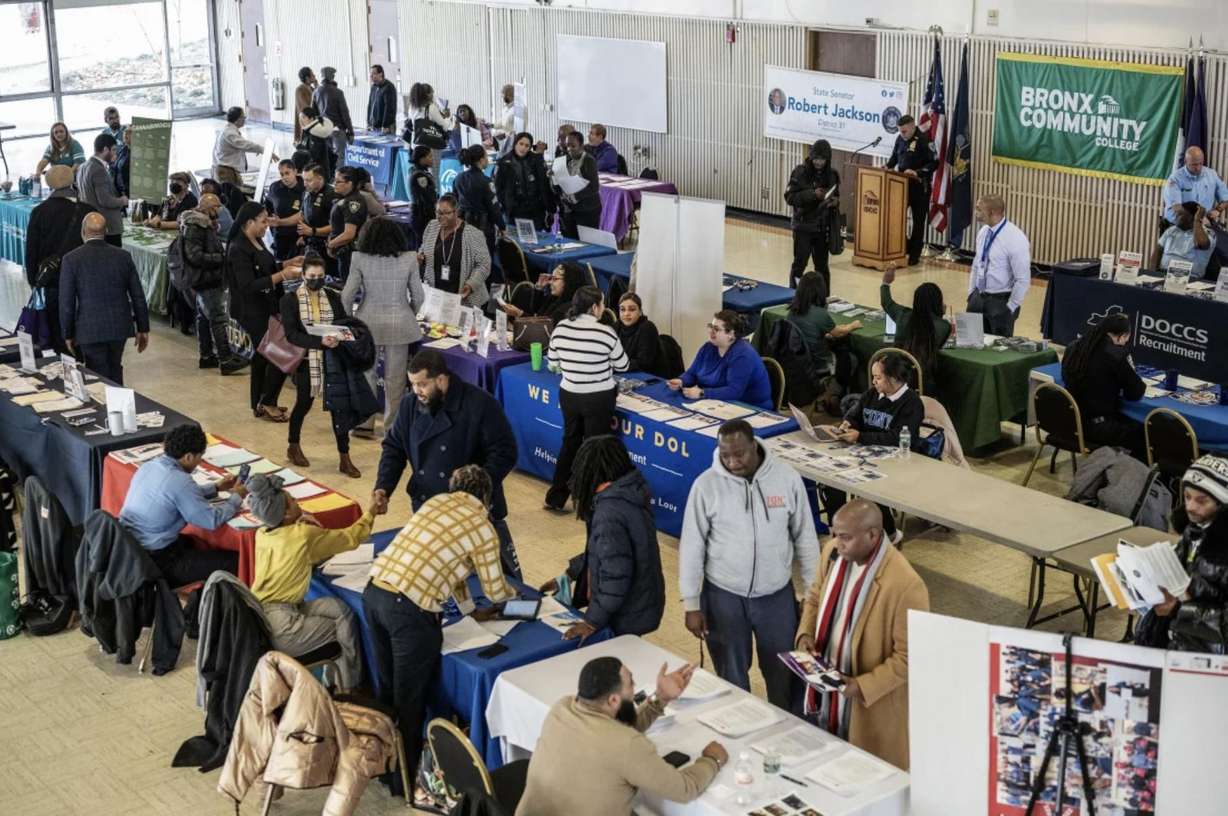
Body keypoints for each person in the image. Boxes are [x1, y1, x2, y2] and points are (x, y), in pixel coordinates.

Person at [364, 465, 514, 788]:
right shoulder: (483, 528)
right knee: (410, 701)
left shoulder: (434, 503)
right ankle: (401, 784)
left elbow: (452, 569)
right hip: (409, 614)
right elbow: (496, 591)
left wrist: (471, 611)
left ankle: (382, 765)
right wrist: (515, 597)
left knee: (388, 690)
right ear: (486, 497)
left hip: (375, 594)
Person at [679, 419, 818, 710]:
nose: (732, 461)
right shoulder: (706, 486)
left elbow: (806, 538)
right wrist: (691, 603)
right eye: (725, 454)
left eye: (739, 453)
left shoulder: (786, 478)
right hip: (723, 595)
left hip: (776, 596)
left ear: (754, 445)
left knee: (785, 674)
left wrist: (812, 595)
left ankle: (788, 733)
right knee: (731, 677)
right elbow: (692, 546)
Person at [795, 499, 929, 770]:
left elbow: (909, 657)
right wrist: (806, 634)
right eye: (834, 534)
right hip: (827, 691)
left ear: (873, 535)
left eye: (845, 537)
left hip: (868, 704)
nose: (836, 542)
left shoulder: (906, 585)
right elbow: (814, 597)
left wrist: (861, 686)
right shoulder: (833, 553)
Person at [372, 349, 521, 576]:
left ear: (441, 379)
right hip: (426, 506)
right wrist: (384, 486)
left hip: (472, 511)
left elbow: (505, 452)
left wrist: (474, 483)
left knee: (487, 576)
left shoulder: (480, 404)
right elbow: (394, 448)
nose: (416, 391)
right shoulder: (410, 405)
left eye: (422, 384)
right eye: (413, 384)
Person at [515, 656, 726, 816]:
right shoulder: (628, 745)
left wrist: (660, 698)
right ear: (613, 701)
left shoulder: (562, 707)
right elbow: (685, 789)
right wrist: (712, 760)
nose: (635, 690)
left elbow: (618, 728)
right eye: (631, 684)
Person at [247, 473, 378, 692]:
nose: (298, 502)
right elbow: (351, 537)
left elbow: (301, 551)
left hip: (265, 615)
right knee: (341, 628)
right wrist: (372, 511)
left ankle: (344, 682)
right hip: (285, 627)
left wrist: (301, 526)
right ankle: (352, 687)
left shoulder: (262, 533)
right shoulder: (303, 535)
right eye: (293, 501)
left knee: (341, 610)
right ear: (287, 513)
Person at [541, 435, 665, 639]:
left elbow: (615, 574)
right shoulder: (629, 493)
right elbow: (606, 550)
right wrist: (570, 574)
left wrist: (591, 622)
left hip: (625, 616)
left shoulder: (609, 513)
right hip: (640, 604)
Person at [118, 424, 245, 620]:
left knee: (195, 544)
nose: (199, 462)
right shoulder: (180, 480)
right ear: (188, 457)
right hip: (157, 562)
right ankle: (200, 618)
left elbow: (177, 495)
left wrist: (216, 488)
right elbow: (210, 520)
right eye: (199, 457)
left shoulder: (150, 466)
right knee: (236, 561)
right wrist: (236, 498)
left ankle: (198, 611)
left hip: (130, 551)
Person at [278, 256, 369, 477]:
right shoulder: (290, 300)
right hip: (307, 360)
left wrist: (345, 334)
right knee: (304, 403)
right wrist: (319, 342)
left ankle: (344, 457)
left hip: (333, 358)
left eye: (320, 277)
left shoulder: (331, 296)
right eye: (312, 277)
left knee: (339, 408)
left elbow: (341, 322)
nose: (316, 281)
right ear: (303, 275)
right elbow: (291, 335)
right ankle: (293, 445)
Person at [819, 352, 924, 540]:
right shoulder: (872, 394)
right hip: (865, 451)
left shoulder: (912, 403)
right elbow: (855, 415)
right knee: (833, 479)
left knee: (869, 486)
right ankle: (837, 531)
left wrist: (861, 436)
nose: (874, 382)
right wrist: (848, 424)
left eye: (878, 377)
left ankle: (890, 532)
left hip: (896, 458)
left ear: (893, 378)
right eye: (873, 377)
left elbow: (897, 437)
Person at [543, 286, 629, 512]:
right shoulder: (606, 332)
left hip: (569, 394)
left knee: (570, 442)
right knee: (595, 448)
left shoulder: (561, 328)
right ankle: (589, 501)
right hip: (598, 397)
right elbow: (623, 365)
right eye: (602, 304)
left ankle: (556, 495)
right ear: (594, 307)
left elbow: (552, 362)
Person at [342, 217, 425, 435]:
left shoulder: (358, 258)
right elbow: (419, 295)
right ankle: (392, 427)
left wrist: (350, 319)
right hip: (400, 322)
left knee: (367, 374)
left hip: (367, 322)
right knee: (395, 379)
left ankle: (364, 423)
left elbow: (347, 295)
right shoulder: (409, 259)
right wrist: (410, 313)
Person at [1140, 455, 1228, 653]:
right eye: (1187, 496)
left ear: (1222, 503)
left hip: (1209, 660)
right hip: (1175, 641)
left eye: (1201, 501)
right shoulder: (1194, 529)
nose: (1190, 507)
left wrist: (1179, 609)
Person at [228, 202, 303, 420]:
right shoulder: (237, 248)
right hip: (250, 310)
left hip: (266, 306)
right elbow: (248, 285)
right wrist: (283, 276)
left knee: (262, 355)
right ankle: (268, 401)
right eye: (263, 221)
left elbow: (265, 267)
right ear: (249, 222)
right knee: (281, 352)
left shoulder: (257, 240)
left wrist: (287, 264)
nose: (267, 226)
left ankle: (260, 403)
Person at [59, 212, 149, 383]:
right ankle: (119, 404)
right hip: (119, 327)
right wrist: (143, 328)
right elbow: (138, 295)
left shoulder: (71, 259)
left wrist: (67, 333)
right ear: (105, 231)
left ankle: (105, 407)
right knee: (115, 367)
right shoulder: (123, 256)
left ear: (83, 231)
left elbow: (66, 303)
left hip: (88, 329)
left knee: (96, 375)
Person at [24, 165, 95, 353]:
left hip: (53, 284)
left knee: (58, 336)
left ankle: (64, 373)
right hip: (84, 284)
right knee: (82, 334)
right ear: (73, 181)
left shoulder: (39, 212)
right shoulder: (88, 211)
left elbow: (31, 252)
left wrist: (35, 281)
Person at [1060, 311, 1145, 457]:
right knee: (1147, 433)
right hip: (1097, 427)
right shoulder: (1115, 355)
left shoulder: (1075, 346)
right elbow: (1135, 392)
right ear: (1122, 336)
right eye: (1126, 340)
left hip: (1069, 421)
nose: (1125, 344)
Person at [181, 194, 248, 375]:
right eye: (216, 207)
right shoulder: (195, 226)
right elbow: (194, 256)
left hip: (205, 277)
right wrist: (221, 258)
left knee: (203, 317)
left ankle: (207, 355)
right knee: (218, 318)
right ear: (206, 207)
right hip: (207, 277)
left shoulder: (200, 224)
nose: (219, 210)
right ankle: (225, 359)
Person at [668, 311, 772, 411]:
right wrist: (681, 381)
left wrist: (702, 393)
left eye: (716, 329)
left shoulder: (742, 355)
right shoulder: (708, 347)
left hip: (749, 408)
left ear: (731, 334)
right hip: (717, 404)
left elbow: (734, 391)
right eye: (711, 327)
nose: (711, 332)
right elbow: (692, 373)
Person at [967, 194, 1030, 336]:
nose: (975, 212)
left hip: (1000, 302)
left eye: (979, 209)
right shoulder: (983, 232)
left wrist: (1011, 307)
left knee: (997, 353)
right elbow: (977, 264)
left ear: (992, 213)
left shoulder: (1016, 238)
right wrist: (971, 294)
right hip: (978, 298)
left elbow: (1023, 279)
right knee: (969, 343)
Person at [881, 266, 951, 391]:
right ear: (938, 302)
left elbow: (887, 302)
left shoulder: (903, 315)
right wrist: (940, 314)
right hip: (920, 381)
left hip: (894, 375)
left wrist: (886, 283)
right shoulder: (944, 326)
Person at [417, 193, 491, 308]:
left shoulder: (473, 234)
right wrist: (421, 255)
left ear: (456, 212)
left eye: (446, 213)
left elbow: (484, 264)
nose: (441, 217)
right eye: (438, 213)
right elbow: (424, 246)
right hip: (436, 294)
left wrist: (471, 284)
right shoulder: (432, 226)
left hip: (463, 297)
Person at [784, 139, 840, 288]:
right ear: (811, 157)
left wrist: (835, 202)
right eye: (816, 158)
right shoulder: (800, 172)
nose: (819, 162)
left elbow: (836, 194)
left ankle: (823, 300)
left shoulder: (832, 174)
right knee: (799, 264)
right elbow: (789, 197)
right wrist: (813, 195)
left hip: (822, 228)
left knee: (822, 267)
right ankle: (793, 296)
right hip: (803, 226)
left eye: (822, 159)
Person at [786, 271, 859, 384]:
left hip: (797, 363)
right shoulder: (820, 314)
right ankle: (838, 391)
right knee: (851, 359)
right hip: (818, 364)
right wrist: (852, 326)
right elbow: (839, 333)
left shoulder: (792, 311)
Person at [885, 115, 938, 266]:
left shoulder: (925, 140)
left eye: (905, 131)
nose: (902, 134)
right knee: (897, 217)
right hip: (901, 185)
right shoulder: (900, 139)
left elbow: (934, 163)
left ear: (913, 126)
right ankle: (901, 248)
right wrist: (887, 167)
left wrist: (918, 172)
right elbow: (895, 157)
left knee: (918, 221)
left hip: (919, 187)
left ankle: (914, 255)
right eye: (900, 131)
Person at [76, 133, 128, 248]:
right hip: (107, 226)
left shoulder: (83, 167)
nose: (115, 153)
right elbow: (105, 200)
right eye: (113, 150)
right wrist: (123, 201)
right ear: (105, 149)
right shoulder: (98, 169)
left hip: (92, 225)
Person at [455, 144, 504, 259]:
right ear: (481, 160)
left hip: (463, 225)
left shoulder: (459, 178)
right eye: (486, 157)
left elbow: (456, 200)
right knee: (484, 262)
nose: (487, 160)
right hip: (482, 227)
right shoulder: (486, 182)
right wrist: (502, 226)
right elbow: (494, 207)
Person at [496, 131, 553, 231]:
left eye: (527, 145)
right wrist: (507, 206)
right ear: (515, 144)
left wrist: (549, 208)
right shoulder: (504, 162)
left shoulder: (536, 160)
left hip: (535, 211)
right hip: (515, 211)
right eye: (521, 144)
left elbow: (544, 184)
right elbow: (499, 188)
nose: (523, 148)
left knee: (536, 240)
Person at [500, 262, 584, 325]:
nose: (550, 282)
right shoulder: (557, 298)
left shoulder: (567, 309)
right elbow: (537, 311)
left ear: (569, 282)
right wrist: (539, 287)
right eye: (551, 278)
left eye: (555, 279)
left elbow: (542, 327)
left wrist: (519, 314)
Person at [291, 163, 337, 277]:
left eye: (309, 180)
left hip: (329, 248)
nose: (305, 184)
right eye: (304, 180)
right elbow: (303, 215)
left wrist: (313, 231)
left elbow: (337, 226)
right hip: (311, 246)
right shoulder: (307, 193)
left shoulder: (332, 195)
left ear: (320, 178)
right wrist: (304, 235)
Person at [554, 130, 603, 239]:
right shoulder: (565, 159)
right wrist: (553, 177)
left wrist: (575, 197)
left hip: (587, 210)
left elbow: (594, 187)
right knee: (569, 241)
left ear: (581, 146)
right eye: (567, 146)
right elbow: (559, 185)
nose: (569, 149)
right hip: (569, 210)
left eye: (573, 146)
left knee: (586, 242)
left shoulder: (588, 161)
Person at [1162, 146, 1228, 226]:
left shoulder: (1212, 175)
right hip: (1178, 224)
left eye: (1200, 163)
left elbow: (1225, 199)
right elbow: (1177, 209)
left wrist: (1217, 211)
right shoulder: (1175, 179)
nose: (1198, 168)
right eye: (1194, 165)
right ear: (1185, 161)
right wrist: (1198, 220)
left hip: (1203, 223)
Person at [1152, 201, 1216, 280]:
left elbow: (1202, 243)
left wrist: (1197, 220)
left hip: (1189, 279)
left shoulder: (1208, 233)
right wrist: (1151, 274)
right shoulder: (1171, 230)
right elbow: (1157, 252)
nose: (1176, 216)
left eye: (1180, 214)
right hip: (1163, 274)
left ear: (1192, 217)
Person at [326, 166, 368, 283]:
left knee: (350, 288)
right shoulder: (346, 199)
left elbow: (349, 234)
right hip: (343, 252)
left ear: (350, 183)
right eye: (334, 180)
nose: (335, 184)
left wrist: (331, 244)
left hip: (350, 253)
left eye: (338, 181)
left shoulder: (353, 202)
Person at [212, 107, 271, 186]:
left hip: (226, 170)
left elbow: (241, 146)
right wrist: (263, 150)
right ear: (238, 119)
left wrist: (257, 150)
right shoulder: (230, 133)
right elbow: (245, 145)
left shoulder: (227, 130)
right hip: (226, 172)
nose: (244, 119)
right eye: (243, 117)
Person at [407, 82, 454, 176]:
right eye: (432, 93)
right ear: (428, 94)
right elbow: (444, 126)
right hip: (431, 145)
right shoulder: (431, 107)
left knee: (419, 172)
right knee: (434, 175)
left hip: (416, 143)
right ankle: (433, 190)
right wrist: (449, 119)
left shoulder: (412, 107)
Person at [263, 159, 305, 261]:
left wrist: (280, 222)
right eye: (281, 174)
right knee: (281, 265)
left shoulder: (305, 187)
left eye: (287, 173)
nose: (284, 177)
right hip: (280, 236)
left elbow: (304, 214)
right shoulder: (275, 188)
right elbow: (267, 206)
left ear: (295, 171)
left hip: (298, 236)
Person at [312, 66, 354, 167]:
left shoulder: (316, 92)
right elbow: (345, 113)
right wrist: (351, 131)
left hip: (323, 130)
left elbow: (313, 113)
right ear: (331, 76)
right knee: (340, 156)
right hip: (338, 129)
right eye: (333, 75)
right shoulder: (338, 92)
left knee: (327, 156)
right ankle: (338, 179)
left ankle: (330, 177)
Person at [614, 293, 661, 375]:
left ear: (640, 312)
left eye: (632, 309)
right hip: (622, 373)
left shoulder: (647, 327)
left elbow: (643, 363)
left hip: (647, 376)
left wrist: (614, 364)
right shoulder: (616, 326)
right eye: (622, 309)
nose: (626, 314)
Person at [296, 106, 337, 179]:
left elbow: (313, 155)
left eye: (303, 117)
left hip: (318, 173)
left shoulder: (316, 133)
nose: (301, 120)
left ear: (311, 119)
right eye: (300, 117)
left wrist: (299, 148)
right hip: (311, 171)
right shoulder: (308, 130)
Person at [408, 145, 437, 239]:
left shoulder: (416, 171)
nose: (432, 159)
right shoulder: (420, 175)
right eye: (429, 156)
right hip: (423, 216)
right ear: (422, 159)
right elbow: (427, 196)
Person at [365, 64, 398, 133]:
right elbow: (370, 105)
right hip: (373, 126)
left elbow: (389, 108)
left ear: (380, 74)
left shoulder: (389, 87)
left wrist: (385, 125)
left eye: (373, 74)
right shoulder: (373, 87)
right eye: (370, 74)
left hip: (385, 127)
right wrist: (368, 122)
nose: (371, 76)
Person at [293, 66, 317, 143]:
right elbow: (304, 108)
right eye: (312, 75)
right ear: (307, 78)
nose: (315, 76)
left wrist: (317, 86)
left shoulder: (312, 89)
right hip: (306, 124)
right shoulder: (300, 90)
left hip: (313, 122)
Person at [111, 127, 133, 199]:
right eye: (124, 133)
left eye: (129, 133)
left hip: (130, 190)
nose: (125, 134)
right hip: (119, 190)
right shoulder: (123, 149)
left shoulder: (136, 152)